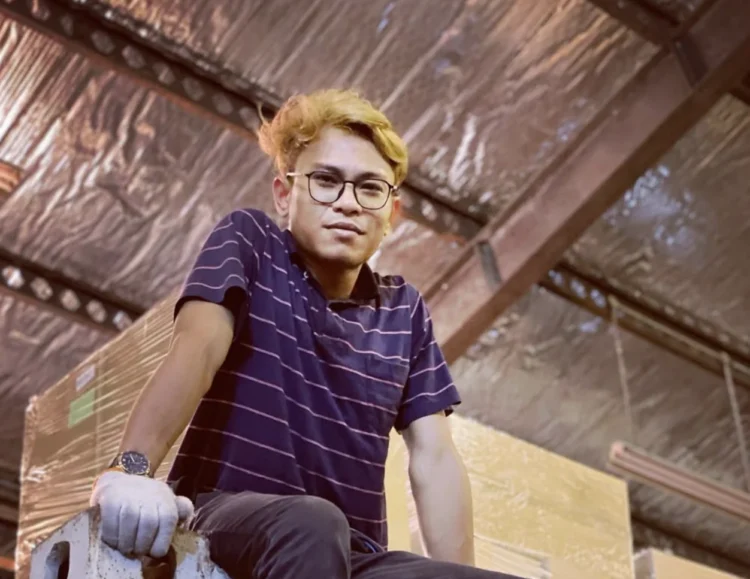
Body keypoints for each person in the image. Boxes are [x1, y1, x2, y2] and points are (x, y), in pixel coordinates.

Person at [90, 89, 521, 579]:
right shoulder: (252, 244)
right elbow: (198, 347)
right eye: (326, 181)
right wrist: (130, 469)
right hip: (222, 523)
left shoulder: (403, 311)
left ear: (391, 214)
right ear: (283, 194)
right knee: (313, 523)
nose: (348, 203)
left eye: (370, 189)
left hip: (349, 555)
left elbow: (435, 456)